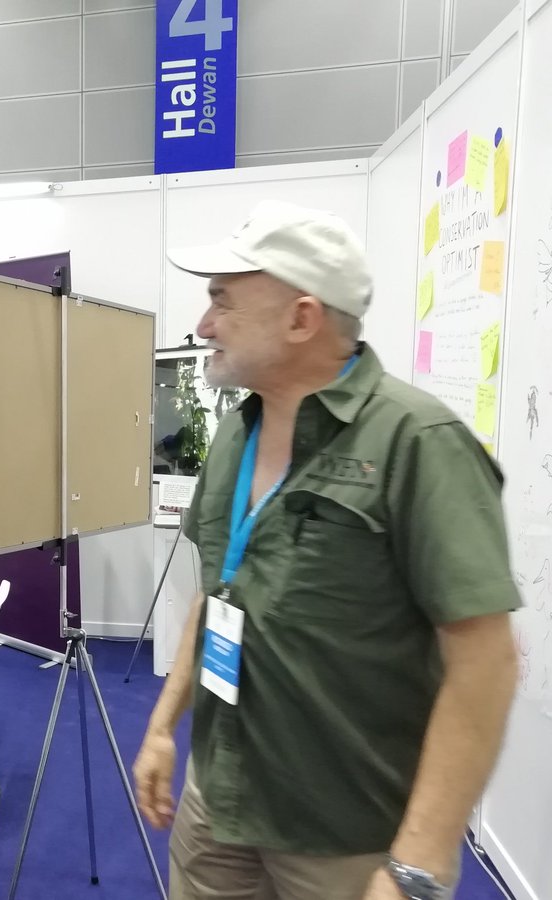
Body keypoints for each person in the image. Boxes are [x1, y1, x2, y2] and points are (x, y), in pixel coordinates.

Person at [132, 201, 519, 900]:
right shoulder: (233, 434)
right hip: (218, 799)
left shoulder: (417, 444)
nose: (202, 326)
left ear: (302, 319)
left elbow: (485, 664)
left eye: (222, 302)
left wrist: (418, 864)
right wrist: (164, 725)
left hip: (345, 837)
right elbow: (216, 594)